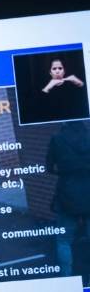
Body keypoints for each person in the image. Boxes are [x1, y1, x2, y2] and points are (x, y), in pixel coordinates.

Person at [46, 122, 90, 279]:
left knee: (63, 241)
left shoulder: (57, 139)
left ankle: (67, 277)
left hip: (67, 194)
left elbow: (49, 167)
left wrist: (64, 172)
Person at [40, 57, 88, 122]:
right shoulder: (46, 87)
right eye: (54, 69)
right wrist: (48, 87)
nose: (57, 71)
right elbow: (42, 107)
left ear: (64, 71)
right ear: (50, 72)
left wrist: (80, 83)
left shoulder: (71, 85)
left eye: (60, 68)